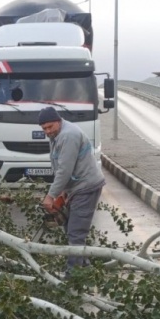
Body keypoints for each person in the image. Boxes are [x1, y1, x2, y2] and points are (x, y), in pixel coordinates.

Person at [38, 107, 105, 278]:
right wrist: (62, 192)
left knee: (75, 233)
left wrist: (51, 195)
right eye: (44, 128)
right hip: (75, 187)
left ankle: (71, 276)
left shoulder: (68, 135)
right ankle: (85, 267)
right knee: (70, 228)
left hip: (86, 187)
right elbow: (58, 165)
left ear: (58, 121)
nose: (47, 131)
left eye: (50, 127)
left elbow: (65, 170)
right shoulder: (56, 135)